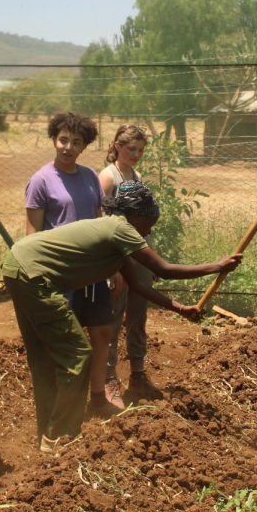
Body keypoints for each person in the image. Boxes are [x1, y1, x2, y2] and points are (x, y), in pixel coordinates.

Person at [3, 180, 242, 453]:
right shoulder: (121, 228)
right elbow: (163, 270)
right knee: (79, 354)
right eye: (149, 223)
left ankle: (48, 436)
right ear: (136, 215)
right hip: (35, 276)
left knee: (46, 359)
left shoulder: (112, 232)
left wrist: (178, 308)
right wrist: (217, 266)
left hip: (17, 265)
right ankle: (61, 436)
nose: (149, 231)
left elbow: (139, 285)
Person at [25, 112, 119, 418]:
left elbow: (101, 221)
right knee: (70, 341)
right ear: (54, 139)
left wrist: (113, 266)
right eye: (63, 139)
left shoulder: (90, 177)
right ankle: (66, 408)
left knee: (102, 332)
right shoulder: (41, 180)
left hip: (92, 272)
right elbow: (32, 235)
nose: (67, 147)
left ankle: (97, 397)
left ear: (84, 146)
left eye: (75, 142)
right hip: (61, 274)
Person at [99, 124, 158, 406]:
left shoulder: (136, 175)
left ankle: (137, 372)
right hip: (117, 259)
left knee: (138, 314)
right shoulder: (107, 178)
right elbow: (103, 224)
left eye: (140, 150)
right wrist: (113, 267)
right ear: (117, 146)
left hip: (138, 252)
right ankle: (109, 378)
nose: (135, 155)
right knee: (113, 317)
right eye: (130, 149)